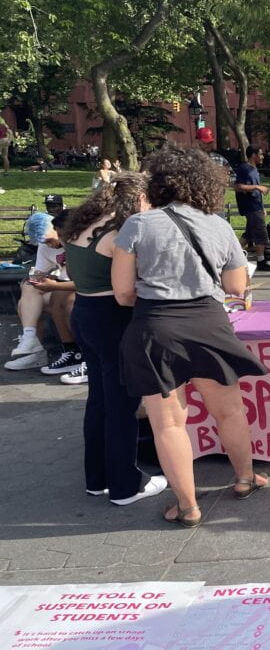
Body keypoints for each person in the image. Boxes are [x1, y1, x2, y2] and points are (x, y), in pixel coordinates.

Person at [112, 147, 269, 528]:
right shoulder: (218, 225)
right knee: (229, 409)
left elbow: (122, 293)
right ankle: (245, 479)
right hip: (209, 322)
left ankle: (187, 506)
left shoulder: (139, 224)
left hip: (156, 327)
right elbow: (235, 285)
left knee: (168, 424)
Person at [62, 172, 167, 505]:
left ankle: (98, 478)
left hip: (84, 314)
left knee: (99, 401)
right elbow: (127, 291)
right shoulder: (120, 232)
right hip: (111, 318)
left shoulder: (82, 227)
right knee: (121, 405)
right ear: (137, 200)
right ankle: (125, 485)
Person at [5, 212, 83, 375]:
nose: (49, 245)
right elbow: (40, 273)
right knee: (28, 290)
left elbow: (88, 283)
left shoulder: (78, 242)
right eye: (43, 242)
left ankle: (77, 354)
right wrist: (37, 279)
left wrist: (54, 284)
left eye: (49, 240)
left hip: (81, 291)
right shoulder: (45, 246)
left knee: (60, 298)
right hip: (65, 286)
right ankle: (31, 341)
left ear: (58, 230)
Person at [233, 145, 270, 272]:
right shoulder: (244, 168)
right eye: (260, 154)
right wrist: (257, 187)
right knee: (261, 233)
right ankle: (261, 261)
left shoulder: (254, 169)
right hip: (250, 206)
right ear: (253, 155)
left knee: (249, 233)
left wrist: (262, 207)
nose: (262, 157)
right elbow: (238, 186)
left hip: (256, 206)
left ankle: (232, 255)